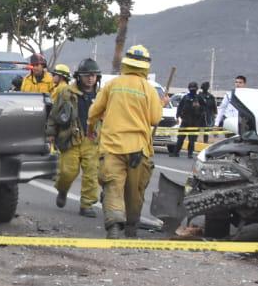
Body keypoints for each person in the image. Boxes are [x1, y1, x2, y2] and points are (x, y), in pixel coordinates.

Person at [88, 44, 162, 238]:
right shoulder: (149, 89)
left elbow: (93, 112)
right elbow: (155, 119)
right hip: (139, 149)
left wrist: (90, 128)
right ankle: (131, 229)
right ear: (146, 67)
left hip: (112, 146)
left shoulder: (112, 85)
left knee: (113, 186)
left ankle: (113, 226)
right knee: (134, 191)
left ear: (125, 64)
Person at [52, 58, 102, 216]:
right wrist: (50, 135)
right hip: (71, 138)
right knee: (67, 172)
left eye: (94, 75)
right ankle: (62, 190)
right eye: (87, 75)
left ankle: (86, 205)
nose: (90, 78)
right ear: (79, 76)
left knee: (91, 174)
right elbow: (54, 115)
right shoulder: (66, 92)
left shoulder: (102, 95)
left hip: (92, 140)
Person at [170, 85, 204, 158]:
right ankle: (176, 152)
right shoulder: (185, 97)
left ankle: (190, 154)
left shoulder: (199, 98)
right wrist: (178, 115)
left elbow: (204, 109)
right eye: (191, 88)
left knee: (192, 140)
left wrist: (198, 107)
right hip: (185, 121)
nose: (192, 90)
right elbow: (180, 107)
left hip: (195, 122)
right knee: (180, 138)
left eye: (194, 89)